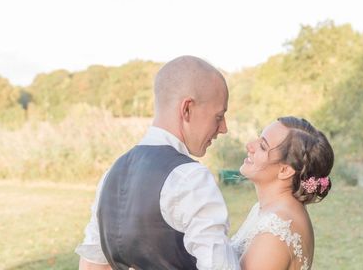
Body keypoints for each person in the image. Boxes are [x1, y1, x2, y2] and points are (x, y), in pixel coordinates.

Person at [76, 55, 240, 270]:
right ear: (187, 109)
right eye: (219, 116)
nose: (223, 128)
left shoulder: (111, 173)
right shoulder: (190, 178)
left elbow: (92, 264)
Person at [230, 116, 334, 270]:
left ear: (285, 170)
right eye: (259, 139)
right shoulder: (271, 210)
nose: (249, 146)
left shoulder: (274, 233)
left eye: (263, 147)